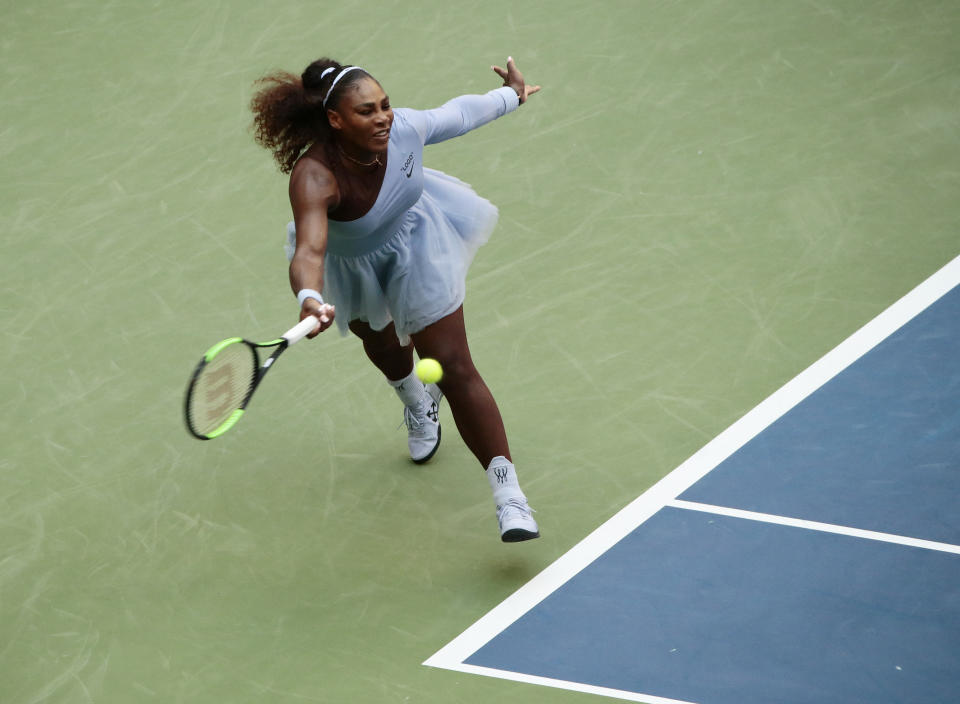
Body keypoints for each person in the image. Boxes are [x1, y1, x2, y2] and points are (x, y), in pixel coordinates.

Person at [250, 56, 541, 542]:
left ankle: (509, 495)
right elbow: (309, 249)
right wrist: (308, 295)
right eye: (366, 111)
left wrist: (510, 95)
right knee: (383, 346)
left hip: (417, 242)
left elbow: (459, 114)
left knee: (451, 364)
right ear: (335, 120)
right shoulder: (314, 177)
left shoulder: (403, 129)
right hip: (352, 265)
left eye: (384, 105)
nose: (383, 117)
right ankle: (415, 400)